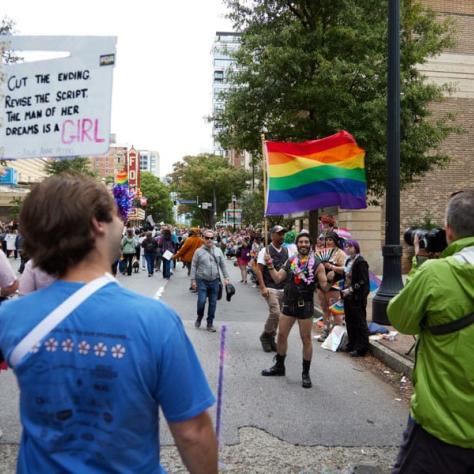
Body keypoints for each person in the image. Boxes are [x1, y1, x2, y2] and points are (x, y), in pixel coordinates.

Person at [0, 174, 217, 473]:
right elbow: (193, 432)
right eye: (117, 215)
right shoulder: (155, 321)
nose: (123, 223)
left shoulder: (10, 317)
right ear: (96, 224)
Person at [388, 189, 474, 474]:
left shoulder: (435, 273)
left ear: (449, 231)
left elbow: (400, 319)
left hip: (441, 430)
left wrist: (419, 262)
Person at [261, 230, 331, 388]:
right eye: (301, 242)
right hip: (289, 303)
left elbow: (325, 287)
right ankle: (279, 366)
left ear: (310, 245)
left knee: (306, 339)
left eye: (306, 242)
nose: (303, 245)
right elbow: (278, 278)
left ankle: (305, 374)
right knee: (281, 336)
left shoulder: (318, 264)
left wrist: (332, 278)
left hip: (305, 306)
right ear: (297, 245)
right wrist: (270, 265)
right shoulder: (291, 261)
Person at [255, 225, 289, 352]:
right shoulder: (265, 251)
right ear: (272, 235)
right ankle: (265, 335)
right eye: (279, 234)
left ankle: (270, 337)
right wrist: (262, 287)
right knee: (275, 312)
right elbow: (258, 270)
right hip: (270, 287)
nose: (282, 236)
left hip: (283, 288)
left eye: (283, 234)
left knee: (278, 316)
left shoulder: (286, 251)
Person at [190, 230, 229, 332]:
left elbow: (223, 265)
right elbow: (193, 266)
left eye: (211, 238)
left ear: (214, 239)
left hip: (215, 280)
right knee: (201, 301)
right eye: (207, 238)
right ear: (203, 238)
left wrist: (226, 278)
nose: (209, 240)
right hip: (202, 280)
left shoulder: (218, 251)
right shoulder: (198, 251)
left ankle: (210, 323)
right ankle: (199, 316)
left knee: (213, 303)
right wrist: (193, 280)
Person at [340, 239, 369, 357]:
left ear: (356, 248)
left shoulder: (360, 262)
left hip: (357, 296)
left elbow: (363, 281)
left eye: (350, 246)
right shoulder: (348, 261)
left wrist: (351, 289)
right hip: (347, 296)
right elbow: (345, 277)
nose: (348, 248)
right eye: (347, 246)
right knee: (349, 320)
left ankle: (361, 347)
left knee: (359, 321)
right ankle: (351, 343)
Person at [316, 231, 347, 341]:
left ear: (335, 241)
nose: (328, 242)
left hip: (335, 285)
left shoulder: (340, 253)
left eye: (330, 240)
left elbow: (345, 269)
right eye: (327, 239)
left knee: (335, 310)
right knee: (324, 309)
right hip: (321, 284)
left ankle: (336, 336)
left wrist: (332, 268)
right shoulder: (321, 252)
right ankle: (325, 331)